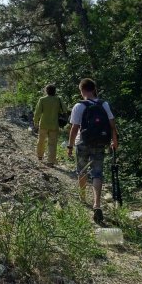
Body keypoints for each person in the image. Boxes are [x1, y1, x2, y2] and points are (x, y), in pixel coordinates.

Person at [67, 78, 118, 224]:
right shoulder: (104, 104)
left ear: (81, 90)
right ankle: (97, 204)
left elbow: (74, 128)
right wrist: (114, 141)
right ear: (94, 89)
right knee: (97, 173)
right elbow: (112, 125)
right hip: (100, 142)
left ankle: (83, 197)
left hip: (82, 143)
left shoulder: (79, 106)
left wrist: (70, 146)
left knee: (82, 170)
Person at [34, 84, 67, 166]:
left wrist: (35, 121)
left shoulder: (42, 100)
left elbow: (37, 112)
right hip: (54, 125)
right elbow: (65, 109)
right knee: (52, 143)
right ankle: (51, 161)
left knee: (41, 140)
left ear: (46, 91)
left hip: (43, 124)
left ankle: (40, 156)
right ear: (55, 91)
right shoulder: (58, 99)